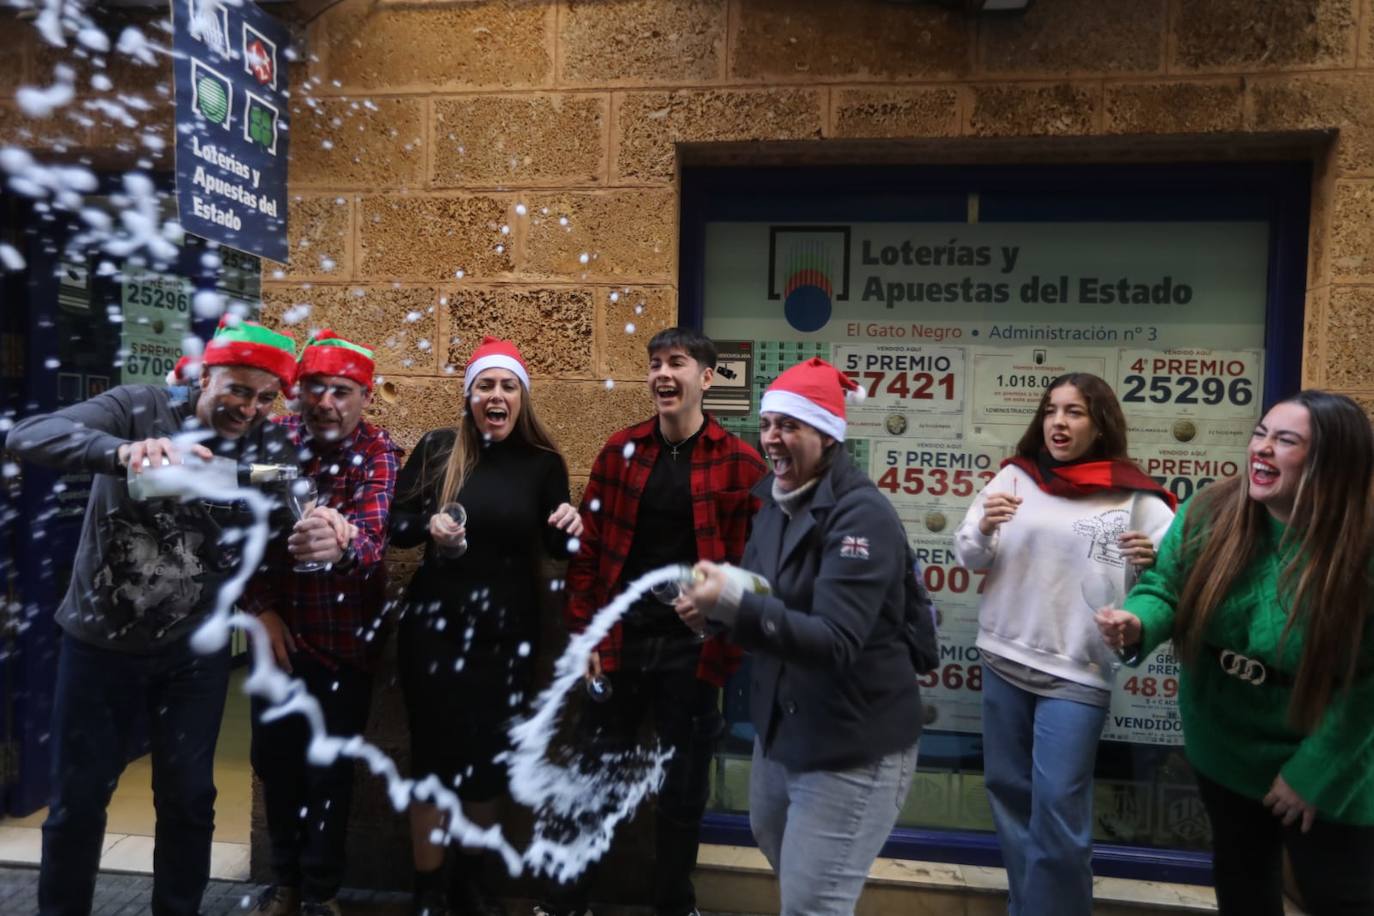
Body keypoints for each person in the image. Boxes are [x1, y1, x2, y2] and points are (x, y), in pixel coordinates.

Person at [7, 317, 298, 916]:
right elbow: (28, 436)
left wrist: (325, 532)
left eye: (266, 397)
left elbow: (292, 516)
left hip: (195, 653)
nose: (249, 408)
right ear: (206, 375)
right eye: (237, 390)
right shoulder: (140, 407)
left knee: (190, 798)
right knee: (78, 801)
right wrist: (118, 452)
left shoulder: (269, 445)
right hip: (99, 644)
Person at [1096, 390, 1374, 915]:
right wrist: (1137, 624)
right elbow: (1165, 588)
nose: (1261, 450)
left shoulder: (1361, 546)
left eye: (1285, 441)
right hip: (1222, 744)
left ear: (1330, 460)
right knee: (1243, 885)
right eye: (1260, 434)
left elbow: (1369, 686)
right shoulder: (1212, 510)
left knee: (1341, 895)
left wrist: (1312, 774)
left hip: (1327, 758)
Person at [676, 356, 921, 916]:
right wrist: (712, 613)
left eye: (790, 425)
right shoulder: (774, 503)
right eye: (767, 425)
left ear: (827, 435)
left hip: (851, 742)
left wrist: (735, 605)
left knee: (813, 903)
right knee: (780, 848)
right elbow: (763, 587)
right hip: (785, 729)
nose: (772, 439)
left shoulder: (862, 517)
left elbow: (835, 640)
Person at [540, 328, 766, 916]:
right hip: (619, 643)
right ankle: (567, 903)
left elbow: (753, 563)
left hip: (694, 652)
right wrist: (586, 631)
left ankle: (672, 904)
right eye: (655, 364)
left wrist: (720, 610)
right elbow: (588, 554)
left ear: (707, 378)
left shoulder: (740, 461)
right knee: (591, 779)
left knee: (681, 791)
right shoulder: (621, 451)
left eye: (678, 363)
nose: (664, 375)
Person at [952, 372, 1175, 916]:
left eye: (1075, 412)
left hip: (1077, 673)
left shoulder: (1135, 496)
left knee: (1057, 810)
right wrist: (982, 526)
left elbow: (1173, 577)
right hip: (1005, 656)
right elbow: (969, 556)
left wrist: (1152, 561)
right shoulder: (1015, 477)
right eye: (1052, 410)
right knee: (1009, 794)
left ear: (1100, 425)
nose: (1059, 422)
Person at [389, 337, 582, 916]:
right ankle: (427, 890)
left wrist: (571, 523)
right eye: (485, 385)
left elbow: (558, 545)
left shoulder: (543, 464)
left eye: (507, 386)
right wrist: (430, 526)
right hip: (434, 633)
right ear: (468, 394)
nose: (495, 396)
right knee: (431, 758)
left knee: (488, 762)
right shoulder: (438, 450)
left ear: (522, 397)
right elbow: (396, 528)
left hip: (506, 638)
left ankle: (470, 882)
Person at [250, 330, 402, 916]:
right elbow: (243, 540)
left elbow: (370, 541)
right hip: (278, 642)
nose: (327, 403)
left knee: (330, 774)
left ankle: (322, 892)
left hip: (344, 647)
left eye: (341, 391)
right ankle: (285, 882)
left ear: (364, 395)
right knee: (276, 766)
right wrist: (260, 609)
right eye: (315, 389)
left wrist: (339, 543)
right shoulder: (273, 441)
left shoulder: (380, 450)